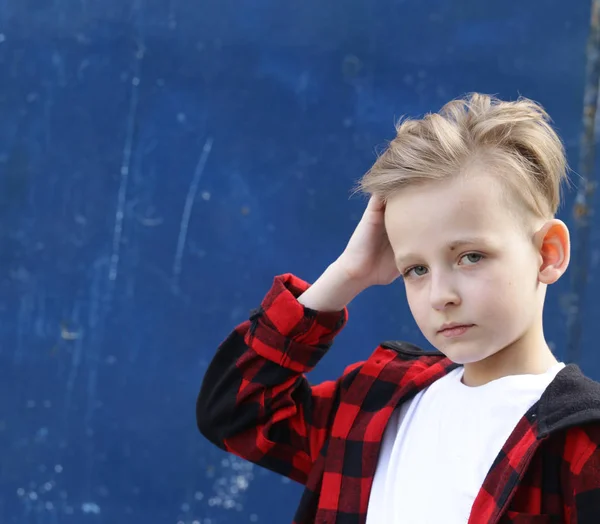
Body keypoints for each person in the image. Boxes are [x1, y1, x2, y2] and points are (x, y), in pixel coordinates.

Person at [196, 93, 600, 523]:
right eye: (416, 269)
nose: (440, 294)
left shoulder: (581, 442)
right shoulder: (375, 402)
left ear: (548, 253)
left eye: (471, 256)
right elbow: (235, 414)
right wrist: (348, 273)